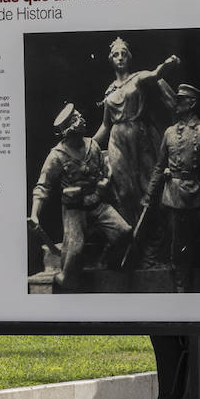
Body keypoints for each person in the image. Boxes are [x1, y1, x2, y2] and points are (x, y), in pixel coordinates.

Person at [28, 103, 133, 290]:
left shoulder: (92, 146)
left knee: (124, 232)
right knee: (74, 251)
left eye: (79, 115)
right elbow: (42, 186)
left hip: (97, 204)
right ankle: (65, 279)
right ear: (70, 128)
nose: (83, 120)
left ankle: (106, 262)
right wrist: (35, 214)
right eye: (77, 118)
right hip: (74, 210)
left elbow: (103, 171)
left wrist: (104, 182)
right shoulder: (57, 156)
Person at [143, 84, 200, 292]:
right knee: (178, 243)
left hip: (198, 193)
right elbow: (159, 167)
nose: (176, 104)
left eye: (180, 100)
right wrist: (150, 195)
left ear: (191, 103)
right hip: (174, 195)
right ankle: (181, 285)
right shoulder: (168, 133)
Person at [91, 37, 179, 225]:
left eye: (123, 54)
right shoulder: (109, 91)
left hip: (139, 136)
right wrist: (89, 144)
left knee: (150, 184)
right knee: (123, 189)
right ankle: (133, 233)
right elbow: (106, 125)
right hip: (117, 140)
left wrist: (168, 63)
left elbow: (156, 74)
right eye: (116, 55)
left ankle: (155, 232)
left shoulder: (137, 78)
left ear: (129, 58)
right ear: (111, 60)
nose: (120, 57)